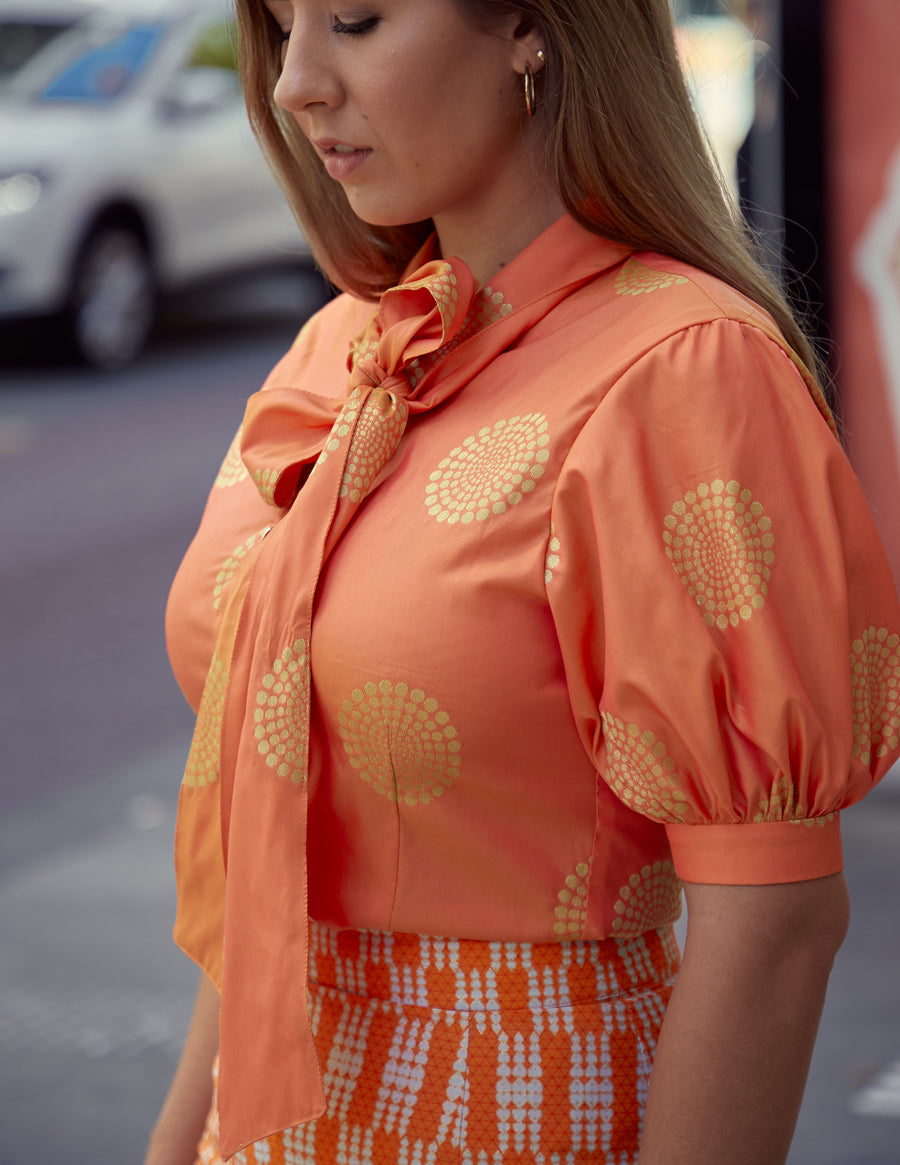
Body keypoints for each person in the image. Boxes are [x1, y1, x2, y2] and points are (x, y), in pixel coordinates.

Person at [144, 2, 900, 1163]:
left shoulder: (683, 373)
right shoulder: (345, 349)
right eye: (283, 27)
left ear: (531, 28)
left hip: (516, 1100)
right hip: (271, 1112)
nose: (297, 83)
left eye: (353, 19)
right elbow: (269, 851)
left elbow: (775, 921)